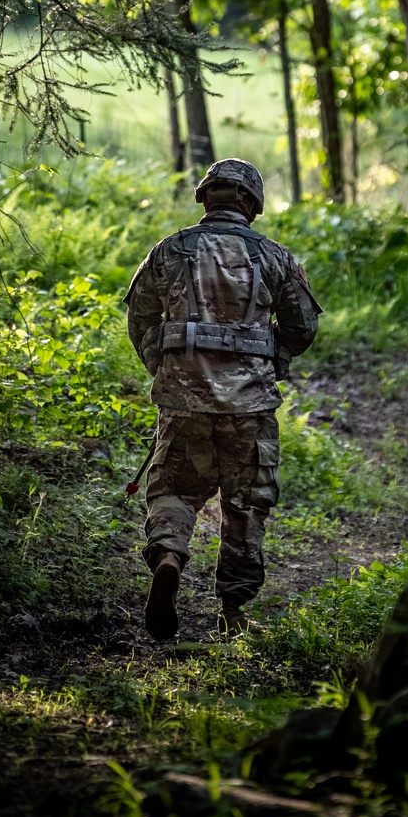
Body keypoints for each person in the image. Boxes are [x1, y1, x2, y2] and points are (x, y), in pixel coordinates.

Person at [124, 158, 321, 639]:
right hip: (250, 410)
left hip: (182, 405)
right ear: (251, 204)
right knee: (246, 505)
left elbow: (140, 319)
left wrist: (166, 367)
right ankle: (232, 613)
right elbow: (303, 327)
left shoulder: (169, 251)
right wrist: (269, 357)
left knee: (174, 490)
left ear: (205, 198)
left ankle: (169, 555)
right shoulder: (274, 256)